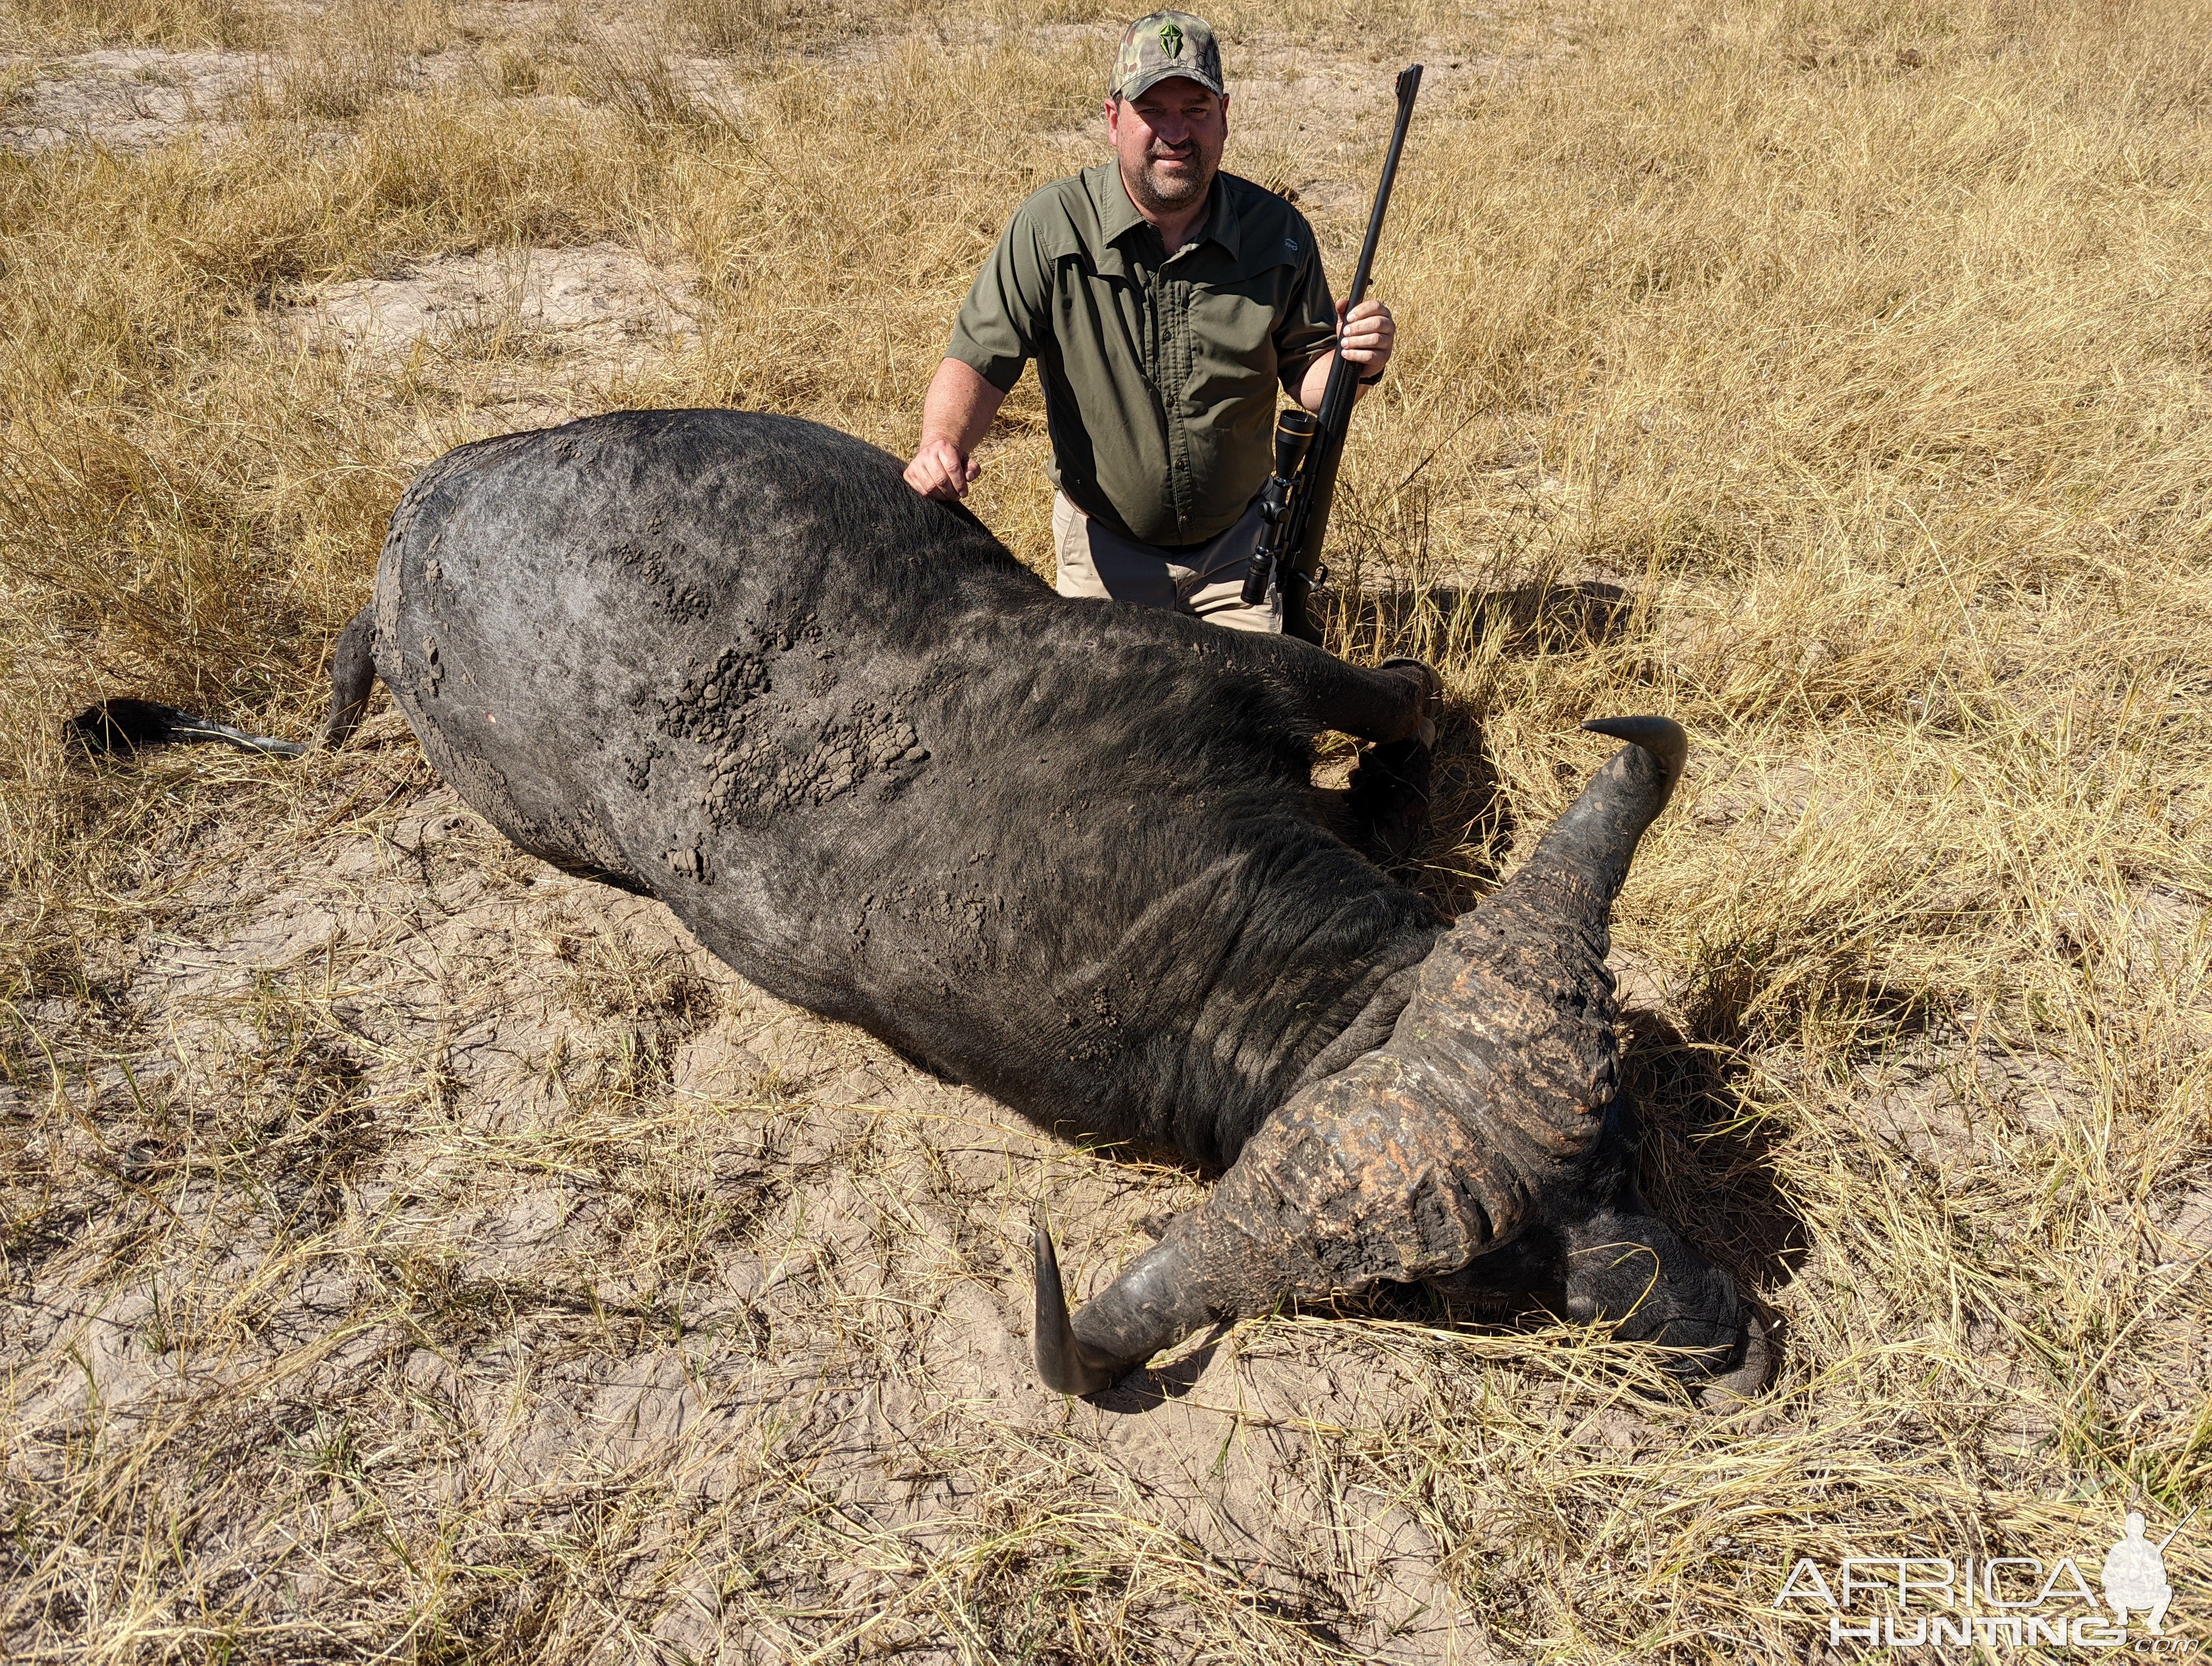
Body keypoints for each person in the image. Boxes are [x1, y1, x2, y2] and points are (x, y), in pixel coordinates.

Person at [904, 10, 1396, 636]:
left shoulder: (1279, 233)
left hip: (1239, 550)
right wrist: (943, 443)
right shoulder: (1051, 226)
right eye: (1153, 110)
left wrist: (1360, 357)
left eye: (1195, 109)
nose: (1176, 132)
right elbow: (979, 357)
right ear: (1114, 120)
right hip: (1105, 549)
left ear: (1224, 114)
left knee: (1247, 726)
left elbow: (1309, 375)